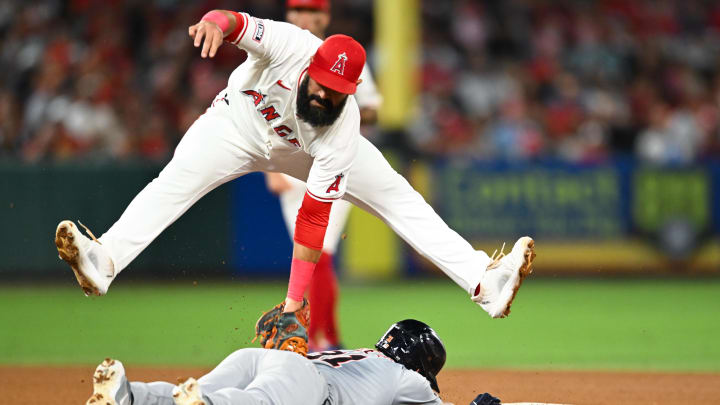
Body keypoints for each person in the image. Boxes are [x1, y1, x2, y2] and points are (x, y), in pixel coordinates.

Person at [55, 8, 536, 354]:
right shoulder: (290, 44)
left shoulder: (340, 127)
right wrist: (213, 25)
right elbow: (235, 22)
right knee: (173, 183)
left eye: (340, 93)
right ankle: (106, 259)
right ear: (312, 66)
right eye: (323, 85)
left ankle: (483, 281)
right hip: (236, 126)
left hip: (304, 152)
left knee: (398, 197)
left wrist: (293, 303)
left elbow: (313, 218)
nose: (327, 96)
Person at [264, 0, 383, 352]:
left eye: (307, 11)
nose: (300, 17)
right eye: (294, 10)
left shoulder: (343, 57)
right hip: (290, 163)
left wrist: (343, 101)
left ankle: (321, 338)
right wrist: (268, 169)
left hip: (332, 159)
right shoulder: (280, 49)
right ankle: (327, 338)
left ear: (323, 17)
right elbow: (260, 112)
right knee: (314, 259)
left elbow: (373, 109)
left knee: (322, 255)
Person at [83, 319, 502, 405]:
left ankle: (129, 395)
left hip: (267, 359)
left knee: (198, 389)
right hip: (305, 383)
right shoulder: (405, 379)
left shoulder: (364, 355)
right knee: (257, 404)